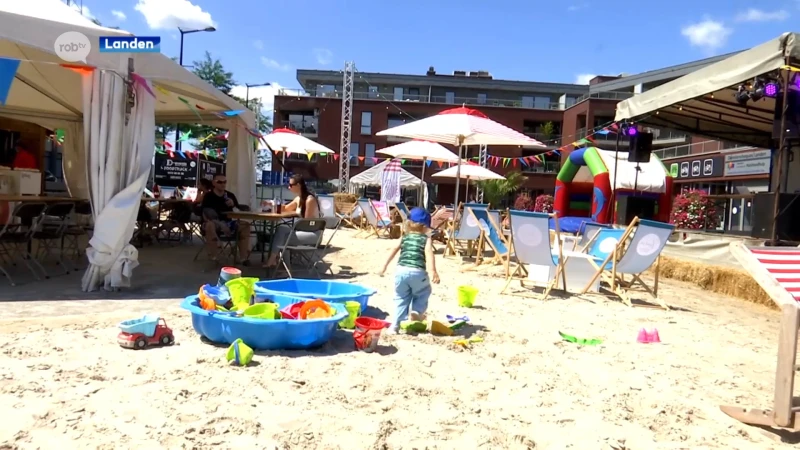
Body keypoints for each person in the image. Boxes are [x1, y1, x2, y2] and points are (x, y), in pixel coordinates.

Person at [379, 207, 440, 334]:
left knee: (400, 298)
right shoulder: (426, 239)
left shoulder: (405, 236)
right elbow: (429, 253)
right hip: (418, 272)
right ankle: (416, 311)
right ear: (425, 226)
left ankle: (394, 326)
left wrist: (384, 266)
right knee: (423, 291)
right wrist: (433, 270)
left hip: (401, 271)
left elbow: (394, 249)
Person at [264, 175, 323, 268]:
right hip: (303, 230)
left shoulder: (309, 200)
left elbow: (306, 223)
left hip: (312, 234)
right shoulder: (299, 198)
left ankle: (276, 263)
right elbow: (286, 208)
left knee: (282, 236)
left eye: (291, 185)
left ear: (298, 185)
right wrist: (271, 203)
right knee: (281, 230)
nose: (289, 187)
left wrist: (294, 226)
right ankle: (278, 263)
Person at [201, 174, 251, 264]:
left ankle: (244, 258)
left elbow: (238, 212)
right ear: (213, 183)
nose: (222, 184)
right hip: (214, 222)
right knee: (209, 225)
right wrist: (221, 224)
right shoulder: (208, 196)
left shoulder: (230, 195)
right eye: (219, 182)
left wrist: (233, 205)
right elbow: (206, 215)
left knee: (245, 226)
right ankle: (214, 257)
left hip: (229, 222)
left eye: (224, 182)